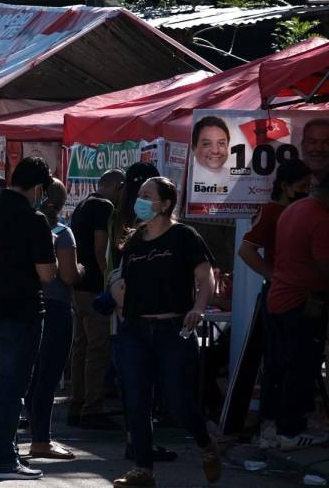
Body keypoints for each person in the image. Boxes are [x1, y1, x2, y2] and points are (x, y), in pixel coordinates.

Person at [111, 176, 220, 487]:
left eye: (147, 195)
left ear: (166, 203)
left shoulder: (184, 236)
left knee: (177, 401)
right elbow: (124, 279)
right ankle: (143, 470)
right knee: (136, 399)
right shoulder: (133, 241)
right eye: (140, 195)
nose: (140, 200)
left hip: (173, 329)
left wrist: (198, 306)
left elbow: (206, 276)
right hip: (134, 329)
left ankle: (206, 445)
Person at [0, 156, 57, 480]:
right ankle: (4, 459)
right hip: (20, 313)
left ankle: (8, 452)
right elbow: (47, 274)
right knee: (10, 387)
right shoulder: (34, 219)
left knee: (2, 384)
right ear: (37, 188)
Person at [262, 168, 329, 453]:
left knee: (279, 367)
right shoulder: (320, 219)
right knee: (300, 368)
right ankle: (289, 431)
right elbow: (325, 268)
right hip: (301, 303)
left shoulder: (293, 209)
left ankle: (275, 427)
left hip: (278, 298)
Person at [25, 178, 81, 460]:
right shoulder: (63, 233)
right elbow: (69, 275)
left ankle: (32, 435)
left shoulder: (22, 229)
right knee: (47, 377)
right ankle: (41, 439)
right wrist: (79, 267)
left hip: (26, 306)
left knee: (30, 376)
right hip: (56, 307)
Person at [68, 168, 124, 430]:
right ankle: (92, 408)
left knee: (81, 347)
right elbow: (100, 249)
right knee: (97, 349)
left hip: (79, 287)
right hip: (94, 289)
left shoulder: (82, 205)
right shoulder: (103, 207)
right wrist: (109, 283)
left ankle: (77, 404)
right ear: (118, 186)